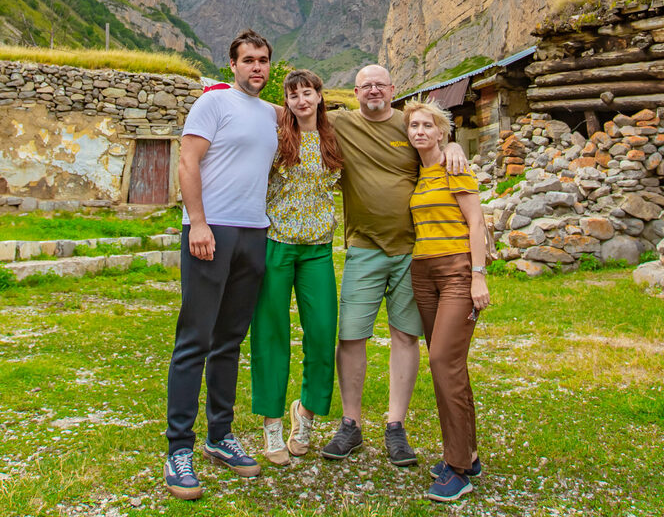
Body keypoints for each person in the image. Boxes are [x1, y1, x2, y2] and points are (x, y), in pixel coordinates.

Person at [322, 63, 466, 467]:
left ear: (392, 89)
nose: (373, 90)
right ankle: (350, 425)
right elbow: (295, 115)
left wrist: (454, 146)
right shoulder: (340, 123)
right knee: (351, 337)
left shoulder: (408, 123)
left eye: (379, 84)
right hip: (363, 248)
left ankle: (395, 427)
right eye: (365, 85)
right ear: (354, 91)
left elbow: (438, 137)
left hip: (411, 252)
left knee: (406, 336)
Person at [163, 30, 278, 502]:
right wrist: (198, 224)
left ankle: (220, 435)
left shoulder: (272, 115)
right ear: (232, 65)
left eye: (264, 60)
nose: (257, 67)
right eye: (248, 60)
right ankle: (178, 449)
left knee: (230, 340)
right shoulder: (213, 103)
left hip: (255, 233)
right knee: (195, 338)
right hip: (214, 231)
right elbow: (188, 162)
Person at [249, 69, 343, 464]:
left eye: (307, 93)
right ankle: (271, 426)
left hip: (318, 249)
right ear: (285, 102)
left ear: (320, 96)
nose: (301, 100)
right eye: (293, 95)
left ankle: (304, 413)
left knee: (322, 333)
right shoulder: (275, 139)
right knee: (271, 335)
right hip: (277, 244)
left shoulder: (334, 139)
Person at [404, 98, 489, 504]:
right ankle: (467, 455)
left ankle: (457, 470)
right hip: (423, 273)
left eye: (427, 126)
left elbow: (476, 221)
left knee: (442, 360)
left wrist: (477, 276)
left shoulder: (456, 166)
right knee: (450, 365)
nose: (419, 131)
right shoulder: (418, 175)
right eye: (414, 126)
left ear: (442, 132)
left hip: (457, 271)